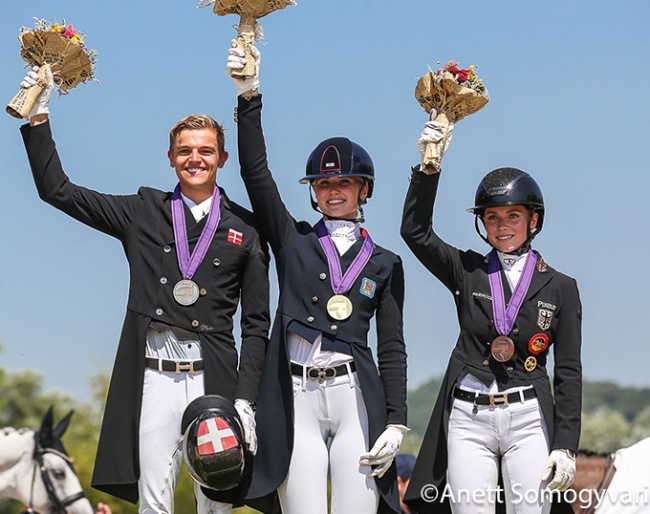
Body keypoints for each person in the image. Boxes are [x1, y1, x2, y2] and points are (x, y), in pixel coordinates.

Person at [17, 66, 270, 514]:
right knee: (155, 500)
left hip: (213, 380)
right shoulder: (143, 211)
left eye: (206, 151)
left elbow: (255, 325)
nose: (196, 159)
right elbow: (57, 191)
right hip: (154, 376)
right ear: (170, 157)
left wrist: (246, 400)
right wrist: (39, 118)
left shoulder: (245, 229)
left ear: (222, 159)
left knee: (216, 504)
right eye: (186, 151)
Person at [226, 42, 408, 514]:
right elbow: (255, 174)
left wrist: (398, 420)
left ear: (363, 189)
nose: (333, 192)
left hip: (353, 395)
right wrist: (249, 95)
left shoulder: (385, 262)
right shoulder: (293, 241)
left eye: (343, 183)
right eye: (324, 184)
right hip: (295, 396)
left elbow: (391, 346)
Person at [400, 115, 582, 514]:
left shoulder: (561, 287)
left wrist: (567, 445)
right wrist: (429, 167)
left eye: (512, 215)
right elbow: (415, 232)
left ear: (533, 220)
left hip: (527, 416)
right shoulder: (467, 269)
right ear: (483, 224)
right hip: (469, 415)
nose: (502, 226)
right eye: (492, 217)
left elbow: (568, 372)